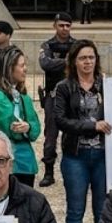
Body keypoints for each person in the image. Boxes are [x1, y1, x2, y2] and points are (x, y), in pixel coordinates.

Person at [50, 39, 110, 223]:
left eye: (91, 57)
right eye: (83, 58)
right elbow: (61, 120)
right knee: (75, 212)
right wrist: (91, 126)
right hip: (76, 156)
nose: (88, 62)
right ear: (74, 61)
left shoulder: (107, 86)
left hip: (103, 157)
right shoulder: (65, 87)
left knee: (103, 212)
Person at [0, 47, 42, 187]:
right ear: (9, 68)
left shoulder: (24, 97)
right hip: (2, 163)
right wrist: (27, 128)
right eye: (21, 66)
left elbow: (36, 128)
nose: (25, 69)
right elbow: (11, 128)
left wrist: (29, 127)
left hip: (25, 163)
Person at [37, 12, 76, 188]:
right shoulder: (47, 45)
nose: (64, 29)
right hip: (52, 96)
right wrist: (67, 62)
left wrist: (61, 62)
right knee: (50, 136)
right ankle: (49, 172)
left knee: (72, 135)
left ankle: (72, 172)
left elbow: (80, 64)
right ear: (55, 26)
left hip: (72, 96)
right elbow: (45, 64)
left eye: (68, 25)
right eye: (61, 25)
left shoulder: (76, 45)